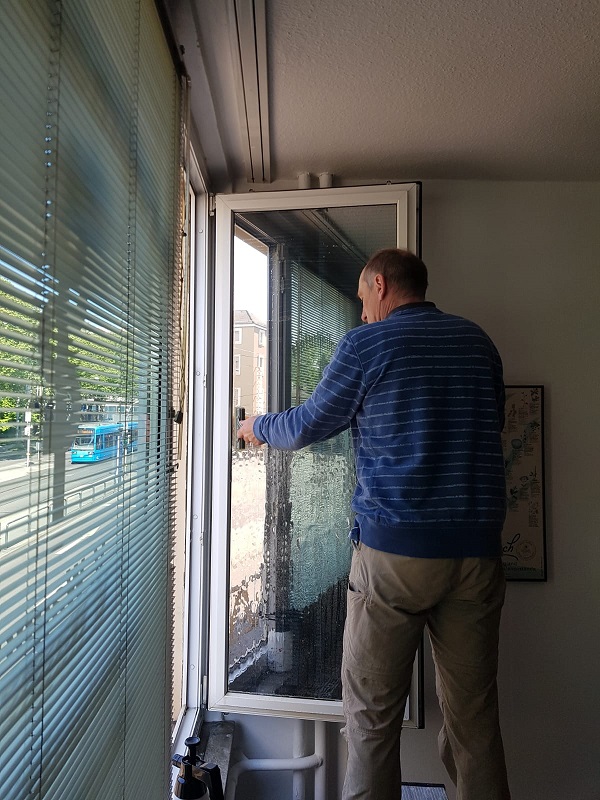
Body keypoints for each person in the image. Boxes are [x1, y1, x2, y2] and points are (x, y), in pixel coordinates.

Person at [237, 248, 511, 800]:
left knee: (370, 722)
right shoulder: (479, 343)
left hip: (393, 559)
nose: (362, 313)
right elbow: (491, 425)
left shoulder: (367, 344)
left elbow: (310, 422)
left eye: (363, 300)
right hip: (475, 556)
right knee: (474, 722)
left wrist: (255, 427)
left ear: (380, 285)